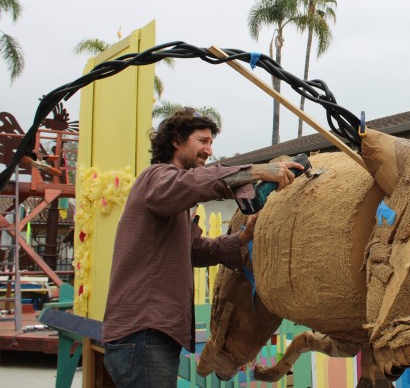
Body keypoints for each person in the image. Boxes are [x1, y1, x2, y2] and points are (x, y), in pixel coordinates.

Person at [102, 108, 303, 387]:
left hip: (153, 334)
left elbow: (195, 249)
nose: (209, 150)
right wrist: (255, 171)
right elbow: (194, 182)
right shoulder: (156, 179)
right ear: (176, 140)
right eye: (203, 141)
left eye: (211, 142)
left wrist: (242, 238)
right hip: (144, 332)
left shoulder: (176, 198)